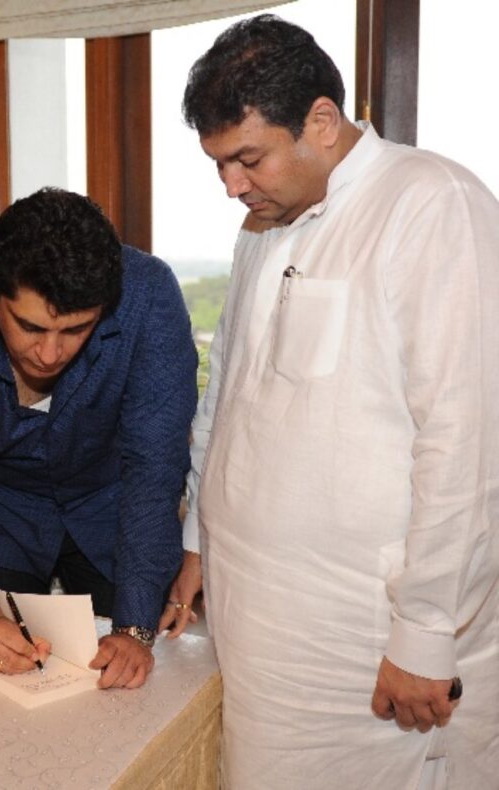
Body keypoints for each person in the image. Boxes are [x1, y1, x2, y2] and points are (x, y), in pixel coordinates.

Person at [160, 13, 499, 789]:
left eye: (247, 159)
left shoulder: (432, 205)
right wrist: (198, 541)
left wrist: (424, 636)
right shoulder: (261, 227)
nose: (232, 186)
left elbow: (470, 445)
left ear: (320, 121)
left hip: (370, 648)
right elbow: (230, 395)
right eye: (218, 165)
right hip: (264, 637)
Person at [0, 187, 197, 690]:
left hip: (113, 510)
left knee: (125, 683)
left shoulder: (148, 298)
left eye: (76, 329)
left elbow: (154, 466)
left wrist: (135, 629)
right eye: (31, 327)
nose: (50, 354)